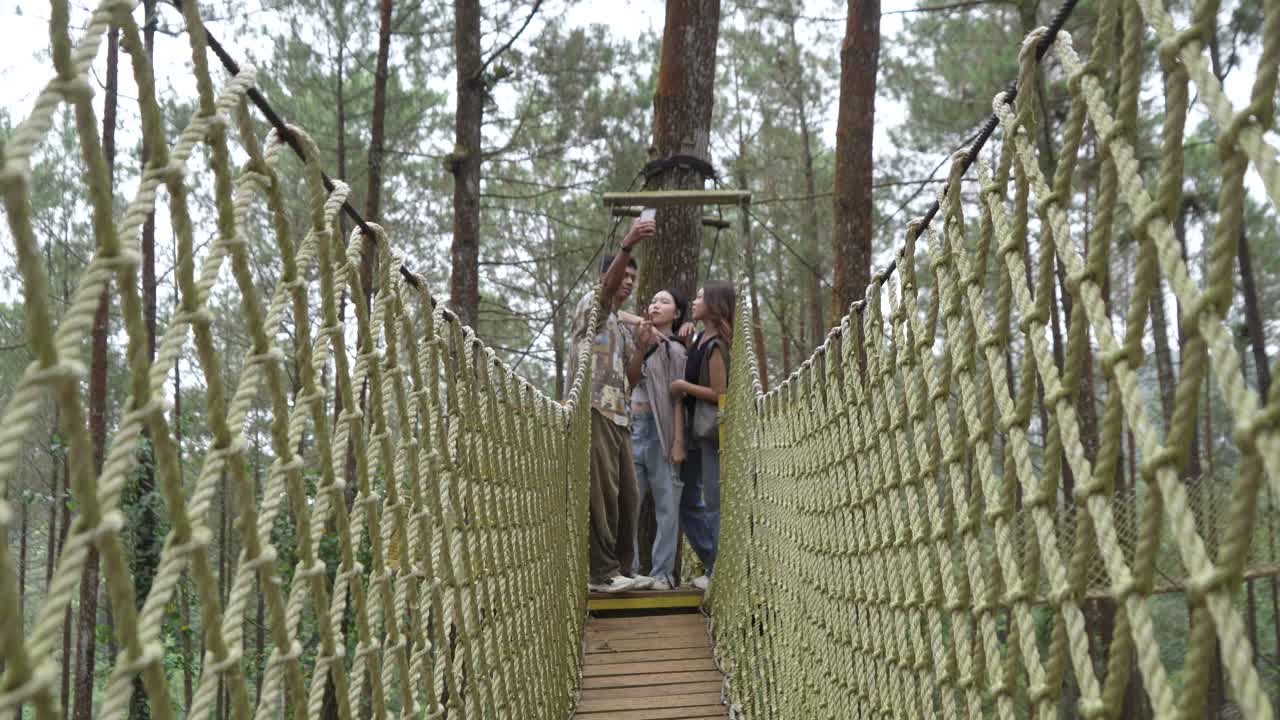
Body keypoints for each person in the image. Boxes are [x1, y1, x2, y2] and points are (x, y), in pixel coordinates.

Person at [568, 218, 657, 594]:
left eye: (633, 278)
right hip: (593, 409)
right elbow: (605, 292)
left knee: (628, 496)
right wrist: (628, 244)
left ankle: (620, 568)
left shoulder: (619, 326)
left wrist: (641, 347)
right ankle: (600, 572)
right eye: (624, 275)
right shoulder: (594, 307)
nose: (629, 281)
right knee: (602, 492)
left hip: (619, 416)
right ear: (608, 276)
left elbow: (631, 378)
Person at [670, 280, 734, 591]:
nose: (693, 302)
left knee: (713, 502)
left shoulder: (716, 345)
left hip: (710, 432)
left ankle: (717, 571)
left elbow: (719, 393)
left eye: (699, 298)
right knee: (686, 501)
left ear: (713, 305)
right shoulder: (699, 340)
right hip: (695, 432)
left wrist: (683, 388)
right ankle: (715, 562)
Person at [625, 288, 689, 591]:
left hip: (662, 430)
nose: (655, 305)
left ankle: (662, 573)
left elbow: (678, 399)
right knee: (630, 502)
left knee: (666, 505)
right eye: (652, 301)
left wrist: (678, 442)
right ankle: (631, 569)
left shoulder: (676, 351)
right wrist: (641, 343)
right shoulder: (635, 340)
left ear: (676, 314)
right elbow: (631, 377)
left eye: (664, 301)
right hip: (634, 428)